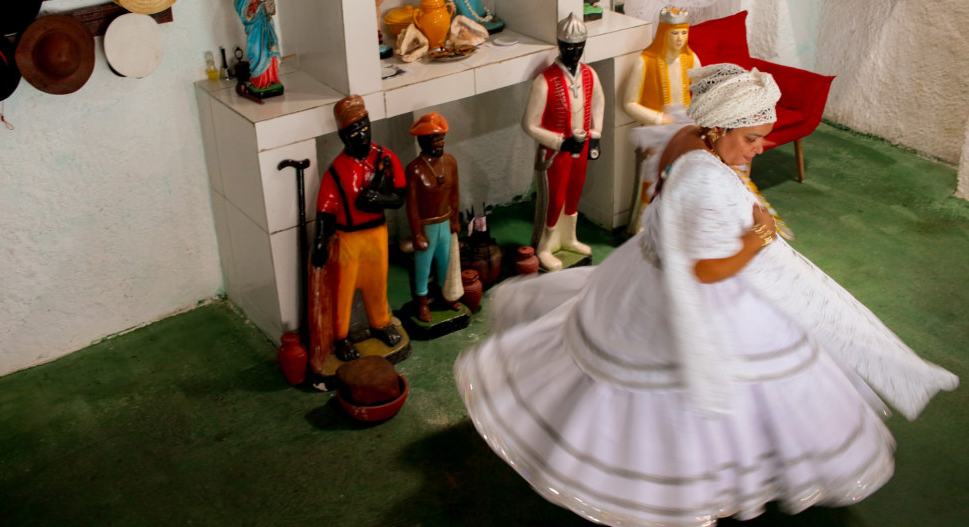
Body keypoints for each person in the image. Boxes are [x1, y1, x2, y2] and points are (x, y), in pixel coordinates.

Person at [456, 63, 957, 527]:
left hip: (640, 272)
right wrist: (756, 238)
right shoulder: (709, 183)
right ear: (720, 129)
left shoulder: (687, 136)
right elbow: (707, 272)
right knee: (708, 386)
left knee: (609, 363)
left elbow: (670, 192)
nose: (760, 148)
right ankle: (684, 481)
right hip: (685, 294)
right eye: (752, 139)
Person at [312, 95, 406, 362]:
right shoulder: (336, 170)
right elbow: (325, 209)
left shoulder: (385, 158)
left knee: (377, 282)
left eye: (364, 126)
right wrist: (320, 240)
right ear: (342, 135)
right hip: (347, 237)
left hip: (376, 233)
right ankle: (339, 337)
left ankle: (381, 323)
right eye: (353, 130)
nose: (361, 134)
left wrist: (382, 199)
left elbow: (399, 196)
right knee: (343, 287)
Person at [522, 12, 605, 272]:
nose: (574, 52)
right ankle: (545, 246)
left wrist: (596, 135)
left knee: (574, 193)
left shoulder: (590, 74)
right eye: (569, 47)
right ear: (559, 45)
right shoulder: (544, 80)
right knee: (554, 199)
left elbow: (599, 103)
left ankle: (569, 238)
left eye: (579, 47)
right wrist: (559, 142)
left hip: (580, 149)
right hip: (554, 154)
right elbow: (529, 124)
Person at [622, 7, 701, 234]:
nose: (680, 39)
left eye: (684, 33)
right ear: (663, 33)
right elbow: (629, 103)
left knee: (685, 179)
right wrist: (659, 119)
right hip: (657, 133)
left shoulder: (692, 59)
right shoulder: (644, 62)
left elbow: (702, 93)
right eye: (674, 33)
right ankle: (642, 226)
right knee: (653, 179)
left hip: (686, 131)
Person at [405, 112, 462, 322]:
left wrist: (455, 219)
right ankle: (422, 303)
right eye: (435, 139)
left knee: (445, 263)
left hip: (445, 223)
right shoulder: (414, 170)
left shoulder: (450, 162)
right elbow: (411, 206)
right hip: (426, 227)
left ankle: (445, 296)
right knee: (423, 267)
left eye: (441, 139)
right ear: (423, 141)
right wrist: (417, 233)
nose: (440, 143)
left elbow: (455, 193)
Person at [234, 0, 281, 92]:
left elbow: (271, 2)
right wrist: (257, 4)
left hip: (265, 21)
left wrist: (268, 0)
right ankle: (259, 79)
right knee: (256, 50)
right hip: (254, 23)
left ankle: (270, 78)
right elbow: (241, 8)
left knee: (269, 48)